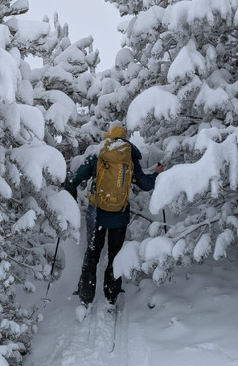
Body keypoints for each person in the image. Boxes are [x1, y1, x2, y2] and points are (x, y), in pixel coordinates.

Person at [65, 125, 164, 307]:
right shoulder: (129, 157)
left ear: (108, 137)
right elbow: (145, 184)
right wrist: (157, 175)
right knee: (114, 255)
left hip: (97, 213)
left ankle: (86, 296)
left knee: (92, 253)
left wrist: (68, 191)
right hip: (119, 215)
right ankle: (111, 295)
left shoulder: (98, 153)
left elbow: (75, 179)